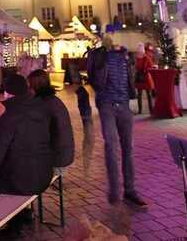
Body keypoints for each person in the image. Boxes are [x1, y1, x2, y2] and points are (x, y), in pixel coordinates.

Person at [0, 74, 54, 211]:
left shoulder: (9, 117)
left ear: (7, 94)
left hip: (23, 182)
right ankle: (17, 216)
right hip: (45, 174)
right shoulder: (40, 108)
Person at [86, 34, 147, 207]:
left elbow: (131, 78)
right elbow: (95, 80)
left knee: (128, 148)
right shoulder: (99, 56)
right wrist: (103, 54)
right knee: (112, 147)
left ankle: (130, 190)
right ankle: (114, 190)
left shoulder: (127, 57)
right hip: (107, 105)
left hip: (124, 104)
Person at [28, 70, 75, 171]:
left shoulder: (42, 105)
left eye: (30, 86)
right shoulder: (53, 100)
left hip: (56, 159)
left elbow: (36, 134)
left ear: (35, 86)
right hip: (65, 154)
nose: (28, 89)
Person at [132, 43, 156, 115]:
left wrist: (146, 70)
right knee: (141, 95)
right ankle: (143, 110)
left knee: (147, 95)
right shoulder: (137, 58)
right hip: (141, 78)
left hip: (144, 78)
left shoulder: (145, 58)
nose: (140, 53)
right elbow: (134, 67)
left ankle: (148, 110)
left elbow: (151, 66)